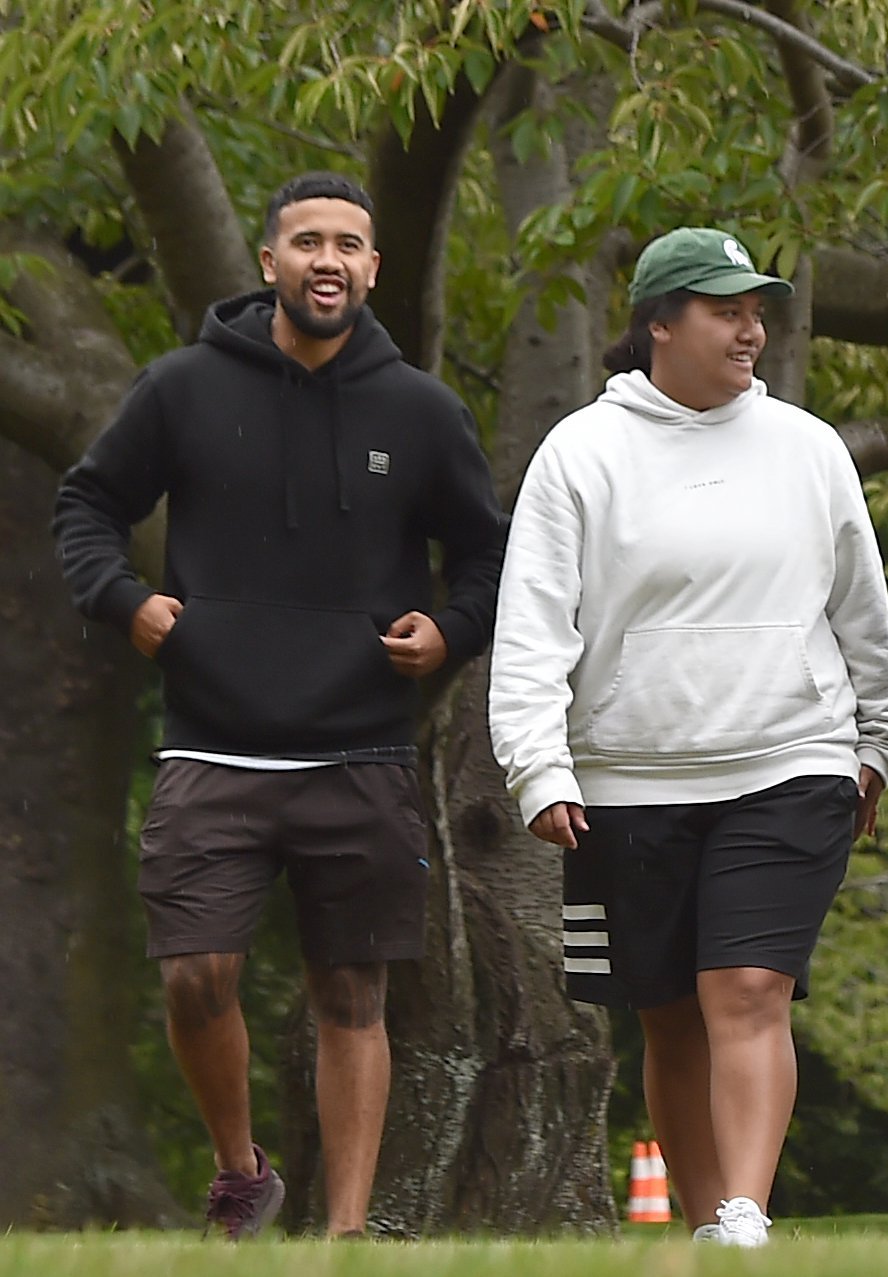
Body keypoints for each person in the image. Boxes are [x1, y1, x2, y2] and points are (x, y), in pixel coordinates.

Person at [50, 173, 507, 1239]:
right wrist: (123, 602)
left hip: (362, 750)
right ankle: (241, 1166)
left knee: (353, 997)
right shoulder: (182, 387)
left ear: (372, 268)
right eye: (306, 241)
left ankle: (345, 1232)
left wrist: (452, 629)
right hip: (215, 743)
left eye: (349, 243)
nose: (328, 260)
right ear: (269, 262)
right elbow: (87, 501)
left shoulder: (422, 409)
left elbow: (488, 550)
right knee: (196, 978)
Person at [488, 227, 888, 1248]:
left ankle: (743, 1212)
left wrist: (877, 739)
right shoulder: (581, 453)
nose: (751, 330)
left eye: (757, 311)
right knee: (668, 1010)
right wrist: (536, 764)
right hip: (626, 778)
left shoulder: (808, 449)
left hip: (788, 759)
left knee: (748, 986)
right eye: (727, 310)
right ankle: (703, 1227)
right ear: (659, 324)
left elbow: (862, 609)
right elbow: (533, 622)